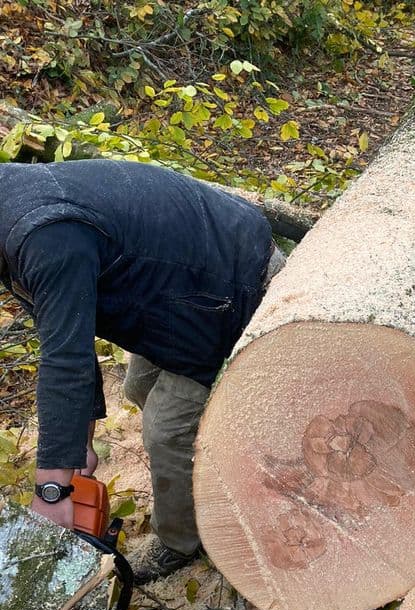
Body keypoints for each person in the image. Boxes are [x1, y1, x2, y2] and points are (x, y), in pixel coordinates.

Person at [0, 159, 285, 582]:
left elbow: (67, 360)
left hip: (233, 278)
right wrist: (77, 446)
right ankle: (210, 456)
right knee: (138, 387)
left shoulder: (44, 234)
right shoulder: (15, 217)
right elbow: (64, 332)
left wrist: (52, 489)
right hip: (174, 276)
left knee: (166, 429)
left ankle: (180, 543)